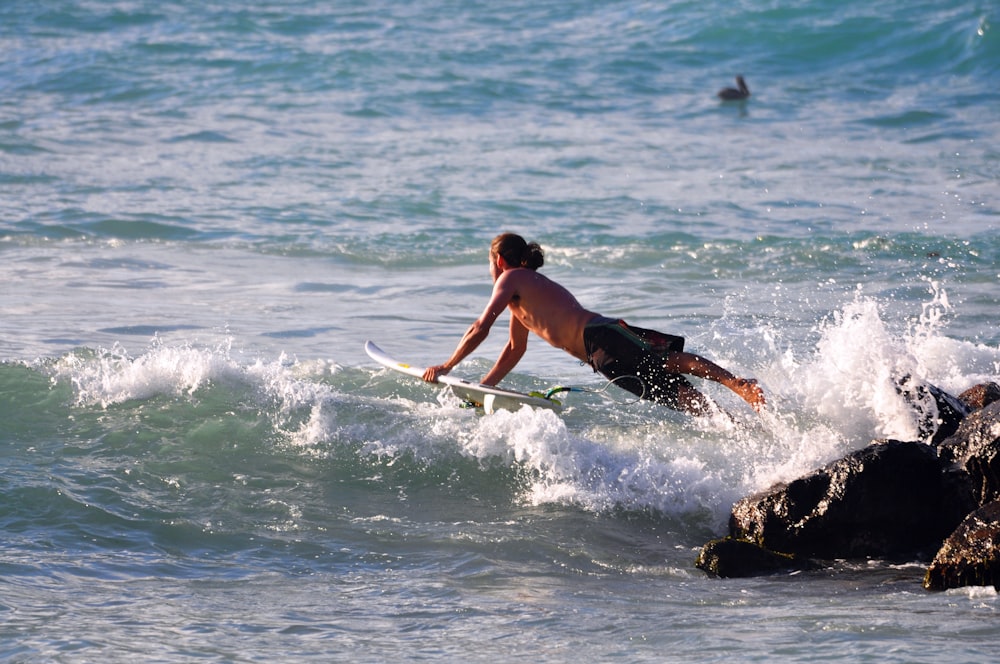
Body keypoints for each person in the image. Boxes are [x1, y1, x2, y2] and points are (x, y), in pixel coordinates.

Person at [422, 233, 765, 415]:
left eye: (489, 264)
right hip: (600, 357)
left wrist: (448, 365)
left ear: (498, 260)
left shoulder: (512, 277)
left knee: (666, 362)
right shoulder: (521, 300)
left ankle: (738, 384)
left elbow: (480, 326)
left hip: (602, 336)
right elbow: (514, 349)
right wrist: (483, 390)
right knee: (672, 392)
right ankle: (735, 426)